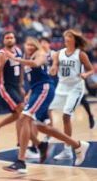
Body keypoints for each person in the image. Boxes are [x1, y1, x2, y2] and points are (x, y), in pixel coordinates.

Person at [3, 37, 89, 174]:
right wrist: (29, 93)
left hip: (45, 88)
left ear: (36, 46)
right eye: (28, 44)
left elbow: (36, 64)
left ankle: (21, 161)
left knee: (24, 118)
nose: (30, 47)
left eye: (32, 45)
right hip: (37, 89)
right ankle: (76, 144)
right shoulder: (27, 57)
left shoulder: (41, 54)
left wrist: (15, 59)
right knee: (36, 125)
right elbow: (34, 79)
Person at [48, 29, 94, 160]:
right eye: (65, 36)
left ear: (74, 39)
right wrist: (53, 69)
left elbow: (90, 69)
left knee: (66, 116)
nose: (66, 38)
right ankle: (49, 135)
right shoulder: (59, 53)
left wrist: (85, 74)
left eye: (69, 36)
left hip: (75, 87)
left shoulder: (81, 54)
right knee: (47, 110)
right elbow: (55, 66)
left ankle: (67, 150)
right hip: (62, 86)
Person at [0, 32, 24, 145]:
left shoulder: (18, 51)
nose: (10, 39)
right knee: (21, 110)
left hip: (16, 86)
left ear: (15, 39)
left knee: (17, 114)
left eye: (11, 37)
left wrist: (21, 85)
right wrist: (2, 63)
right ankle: (21, 143)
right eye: (7, 38)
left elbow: (21, 68)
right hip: (6, 86)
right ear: (4, 41)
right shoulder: (2, 54)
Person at [25, 36, 57, 159]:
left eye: (44, 42)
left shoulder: (48, 54)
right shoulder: (31, 55)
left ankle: (34, 147)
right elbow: (31, 79)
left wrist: (55, 66)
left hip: (48, 86)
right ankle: (40, 143)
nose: (43, 44)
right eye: (41, 42)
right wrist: (29, 93)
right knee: (37, 120)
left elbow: (51, 66)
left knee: (29, 118)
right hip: (39, 88)